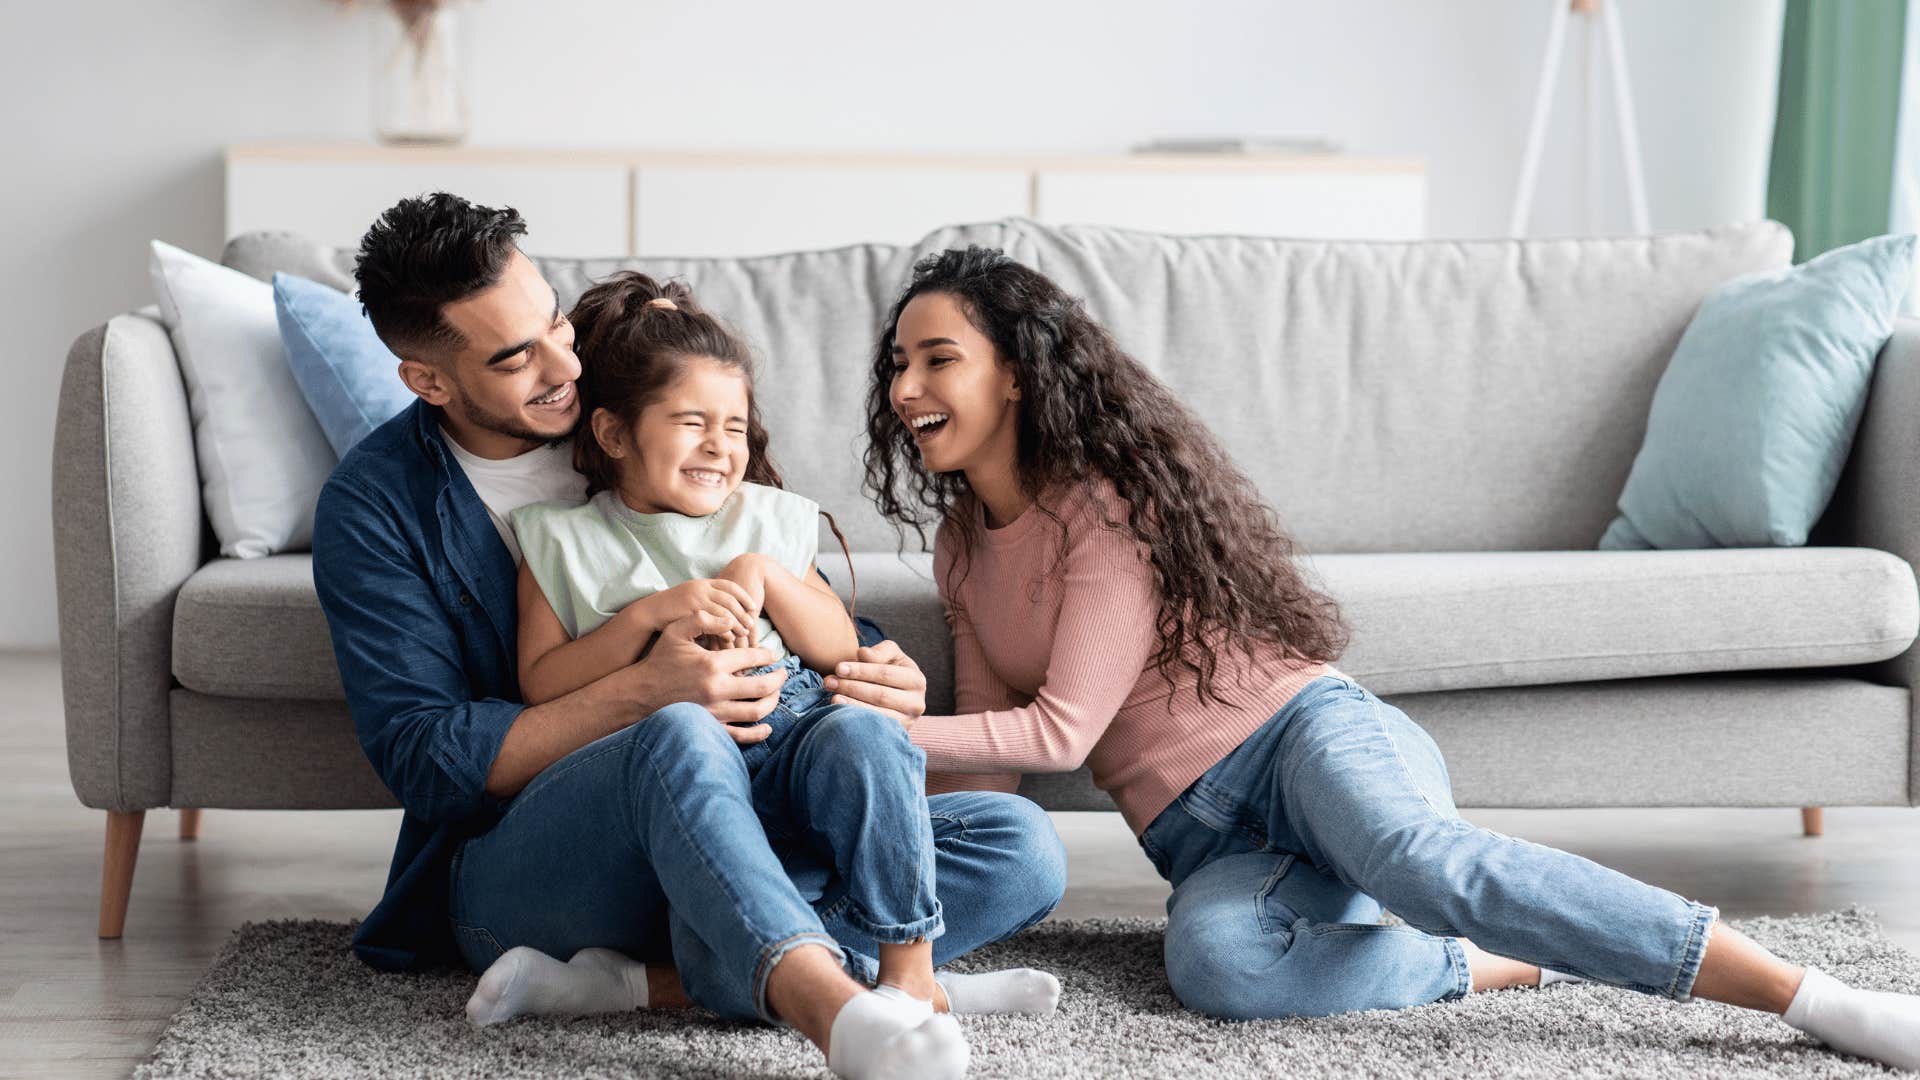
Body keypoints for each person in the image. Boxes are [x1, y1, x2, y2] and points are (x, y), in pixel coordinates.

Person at [845, 244, 1920, 1071]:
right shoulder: (958, 549)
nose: (906, 387)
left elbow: (1063, 729)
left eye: (939, 358)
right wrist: (862, 802)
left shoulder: (1100, 505)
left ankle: (1808, 997)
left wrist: (883, 727)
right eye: (898, 362)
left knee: (1421, 864)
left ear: (1019, 378)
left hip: (1299, 736)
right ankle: (1492, 961)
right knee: (1218, 964)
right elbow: (997, 771)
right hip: (1203, 836)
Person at [311, 196, 1065, 1080]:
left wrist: (873, 668)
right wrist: (646, 687)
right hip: (549, 863)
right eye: (518, 358)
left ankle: (665, 980)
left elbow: (775, 592)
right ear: (429, 380)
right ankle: (834, 1013)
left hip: (747, 821)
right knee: (678, 732)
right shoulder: (377, 509)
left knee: (1017, 843)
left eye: (555, 320)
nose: (564, 364)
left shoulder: (646, 395)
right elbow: (429, 758)